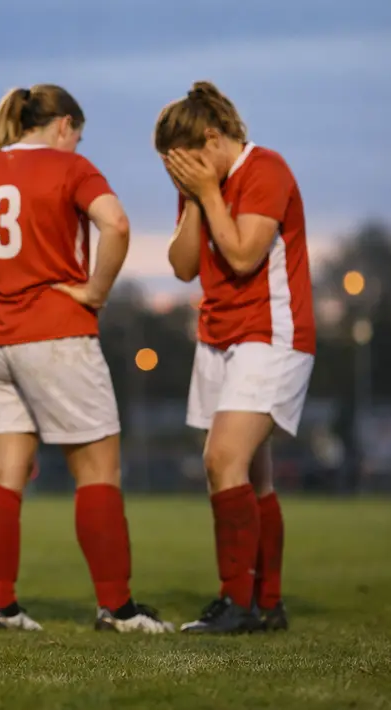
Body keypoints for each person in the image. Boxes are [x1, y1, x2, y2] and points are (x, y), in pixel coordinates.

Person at [0, 84, 172, 634]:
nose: (76, 143)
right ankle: (117, 609)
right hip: (55, 334)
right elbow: (117, 224)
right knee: (97, 470)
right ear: (63, 125)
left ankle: (1, 607)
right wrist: (97, 291)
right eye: (77, 134)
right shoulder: (71, 167)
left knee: (2, 472)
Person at [156, 81, 314, 633]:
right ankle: (266, 604)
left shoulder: (265, 169)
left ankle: (236, 602)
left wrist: (209, 193)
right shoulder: (202, 185)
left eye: (185, 161)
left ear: (213, 137)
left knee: (221, 460)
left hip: (271, 335)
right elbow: (181, 265)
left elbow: (245, 254)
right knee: (251, 476)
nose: (180, 174)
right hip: (219, 336)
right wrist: (198, 195)